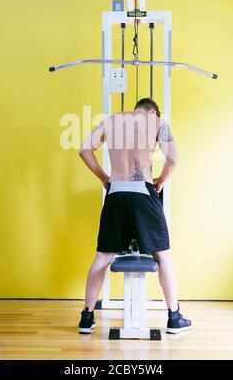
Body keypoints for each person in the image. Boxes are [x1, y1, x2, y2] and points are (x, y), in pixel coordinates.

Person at [78, 98, 192, 334]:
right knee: (162, 257)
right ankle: (174, 318)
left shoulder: (110, 121)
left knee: (102, 257)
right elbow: (173, 159)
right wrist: (160, 180)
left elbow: (83, 150)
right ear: (154, 111)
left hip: (116, 191)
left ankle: (86, 318)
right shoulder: (158, 123)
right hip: (143, 191)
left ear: (137, 107)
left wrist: (104, 178)